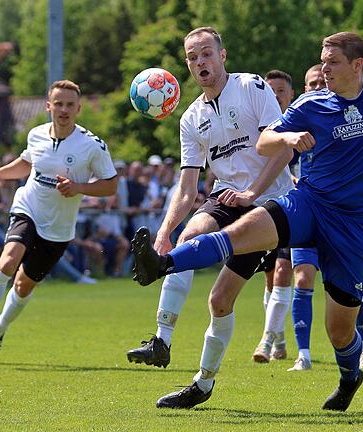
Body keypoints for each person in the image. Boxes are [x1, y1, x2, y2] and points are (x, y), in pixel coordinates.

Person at [131, 30, 363, 411]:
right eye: (322, 60)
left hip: (354, 225)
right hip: (309, 202)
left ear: (357, 65)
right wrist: (288, 140)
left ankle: (350, 376)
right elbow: (265, 142)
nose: (324, 68)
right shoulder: (311, 103)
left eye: (332, 61)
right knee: (241, 232)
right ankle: (163, 264)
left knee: (339, 331)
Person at [125, 26, 294, 384]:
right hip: (227, 197)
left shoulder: (252, 87)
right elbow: (187, 188)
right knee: (188, 238)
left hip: (268, 205)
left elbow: (283, 150)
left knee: (219, 301)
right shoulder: (190, 118)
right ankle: (161, 340)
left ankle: (203, 381)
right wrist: (164, 232)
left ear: (222, 56)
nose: (200, 62)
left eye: (206, 53)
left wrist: (251, 195)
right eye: (192, 57)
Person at [0, 79, 117, 363]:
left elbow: (110, 185)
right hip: (28, 209)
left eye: (69, 105)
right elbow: (27, 163)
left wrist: (79, 187)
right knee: (8, 261)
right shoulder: (36, 134)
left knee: (23, 287)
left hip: (59, 228)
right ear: (48, 105)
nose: (63, 109)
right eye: (58, 103)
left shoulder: (92, 145)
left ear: (78, 108)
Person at [285, 64, 363, 372]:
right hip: (308, 213)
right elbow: (277, 159)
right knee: (303, 277)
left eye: (319, 82)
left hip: (343, 217)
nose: (315, 86)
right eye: (310, 83)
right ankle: (304, 354)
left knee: (351, 287)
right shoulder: (300, 120)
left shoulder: (340, 119)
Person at [252, 69, 296, 363]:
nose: (276, 95)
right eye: (271, 90)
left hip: (296, 208)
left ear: (291, 94)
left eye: (281, 90)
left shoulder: (302, 122)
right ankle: (278, 339)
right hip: (264, 208)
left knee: (283, 272)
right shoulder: (259, 131)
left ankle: (266, 341)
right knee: (270, 278)